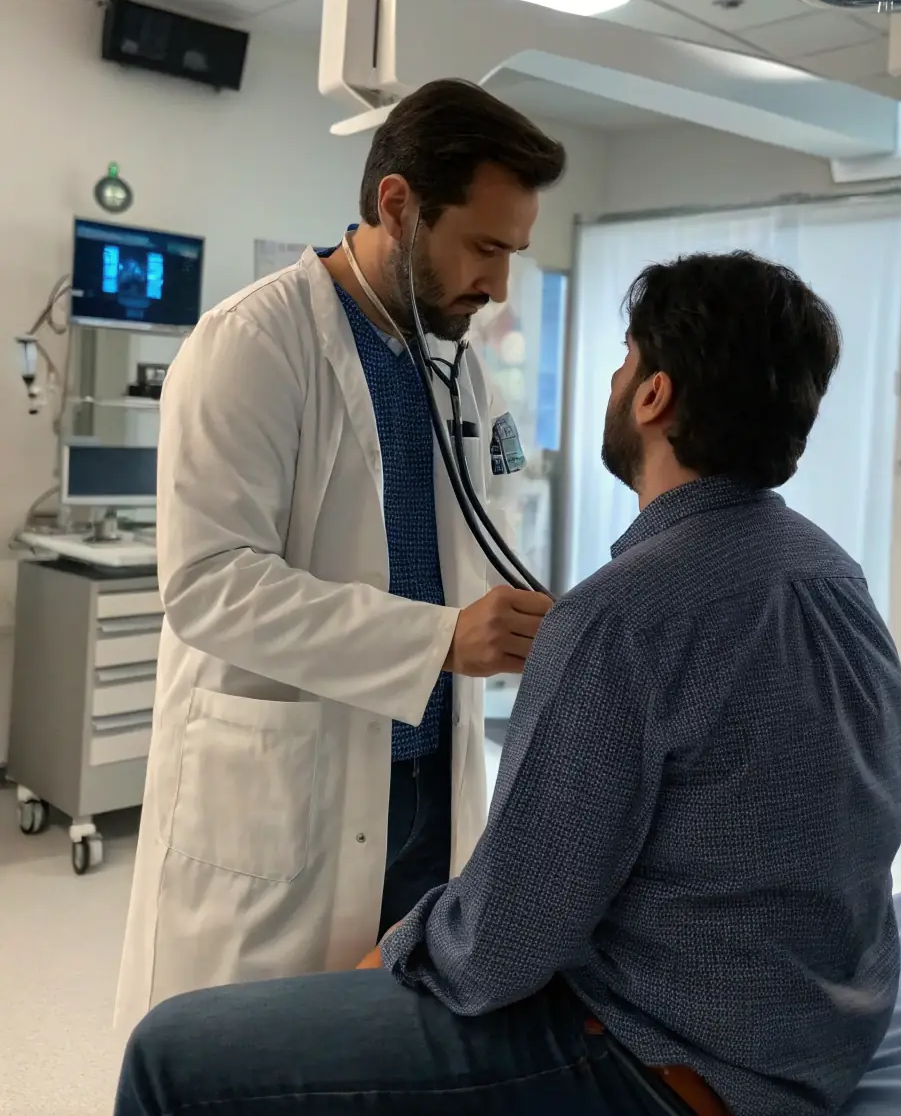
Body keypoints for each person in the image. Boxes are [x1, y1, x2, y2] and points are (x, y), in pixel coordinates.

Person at [115, 252, 901, 1116]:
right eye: (488, 249)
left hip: (665, 1060)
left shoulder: (623, 617)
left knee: (171, 1049)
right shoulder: (833, 576)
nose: (497, 283)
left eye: (624, 358)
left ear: (652, 396)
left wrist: (397, 947)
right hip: (815, 1038)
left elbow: (499, 947)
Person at [114, 79, 565, 1030]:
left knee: (380, 1050)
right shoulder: (251, 344)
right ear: (397, 205)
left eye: (514, 253)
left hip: (429, 782)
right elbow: (208, 585)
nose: (499, 285)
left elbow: (475, 540)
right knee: (246, 1058)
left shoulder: (458, 364)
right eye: (485, 248)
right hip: (287, 790)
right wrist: (440, 640)